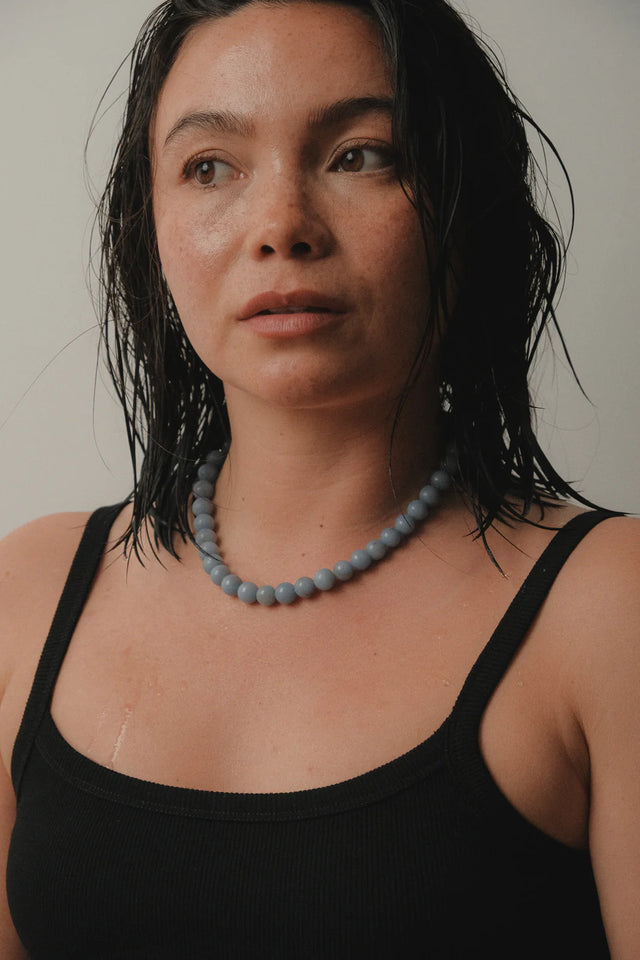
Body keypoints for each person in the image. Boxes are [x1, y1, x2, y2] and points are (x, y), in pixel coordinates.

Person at [0, 0, 638, 956]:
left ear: (464, 205)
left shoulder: (608, 608)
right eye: (209, 166)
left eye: (360, 154)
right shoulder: (28, 591)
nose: (280, 227)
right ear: (153, 226)